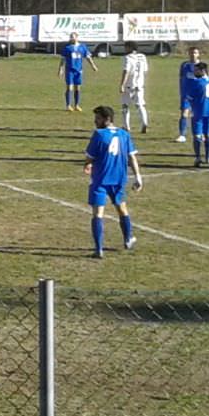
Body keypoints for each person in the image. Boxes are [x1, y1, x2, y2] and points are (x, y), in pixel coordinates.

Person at [83, 105, 143, 259]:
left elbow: (90, 157)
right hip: (118, 179)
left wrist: (88, 164)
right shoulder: (124, 134)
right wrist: (138, 176)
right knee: (122, 209)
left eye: (98, 119)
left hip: (100, 180)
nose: (95, 121)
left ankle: (98, 249)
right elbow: (132, 157)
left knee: (98, 214)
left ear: (106, 119)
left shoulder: (98, 134)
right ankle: (128, 238)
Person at [189, 60, 209, 167]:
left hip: (198, 113)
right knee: (208, 134)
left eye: (196, 70)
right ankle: (208, 157)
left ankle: (198, 158)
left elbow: (189, 98)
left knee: (197, 136)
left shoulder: (195, 83)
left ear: (202, 71)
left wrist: (191, 109)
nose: (194, 72)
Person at [120, 44, 150, 133]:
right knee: (140, 105)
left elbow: (126, 71)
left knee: (125, 105)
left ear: (130, 48)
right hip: (140, 85)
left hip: (129, 85)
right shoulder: (142, 57)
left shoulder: (127, 58)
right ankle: (144, 122)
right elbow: (145, 70)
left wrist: (122, 84)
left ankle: (126, 126)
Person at [59, 34, 94, 112]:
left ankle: (76, 105)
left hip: (79, 70)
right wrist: (60, 69)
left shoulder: (82, 47)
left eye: (73, 37)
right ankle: (68, 105)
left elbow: (88, 57)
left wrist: (93, 66)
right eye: (71, 37)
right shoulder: (67, 48)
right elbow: (62, 60)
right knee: (69, 87)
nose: (72, 39)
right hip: (70, 70)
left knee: (77, 88)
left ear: (77, 37)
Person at [175, 45, 201, 143]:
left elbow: (206, 79)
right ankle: (182, 135)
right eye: (191, 53)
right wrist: (181, 91)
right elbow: (181, 78)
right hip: (186, 94)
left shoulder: (201, 66)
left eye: (194, 53)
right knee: (184, 114)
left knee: (198, 115)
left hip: (198, 94)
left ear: (198, 54)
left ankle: (200, 133)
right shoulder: (184, 65)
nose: (192, 55)